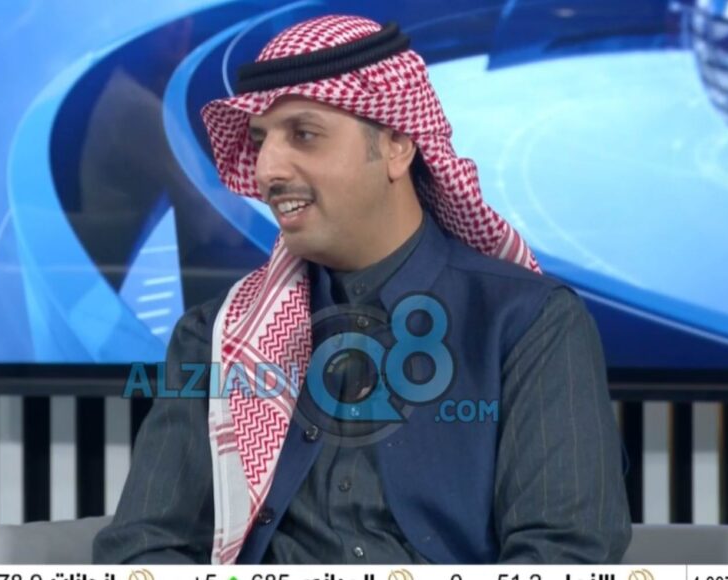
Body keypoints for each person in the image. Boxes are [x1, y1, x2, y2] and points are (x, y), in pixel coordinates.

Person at [93, 14, 631, 564]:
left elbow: (564, 557)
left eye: (304, 135)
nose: (267, 169)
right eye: (260, 140)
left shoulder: (528, 324)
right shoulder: (215, 336)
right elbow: (142, 548)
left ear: (396, 145)